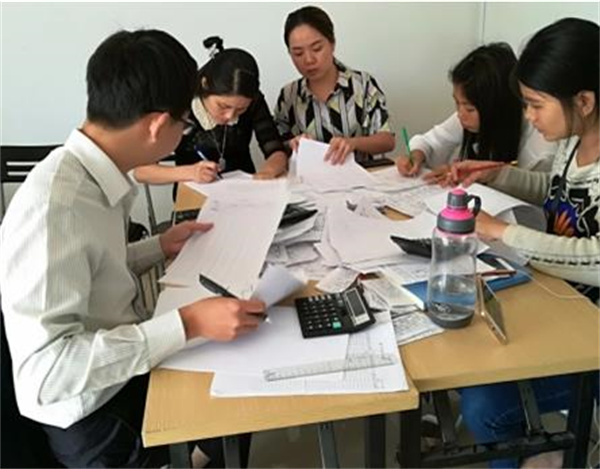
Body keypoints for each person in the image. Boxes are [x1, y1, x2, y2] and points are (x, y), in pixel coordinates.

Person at [0, 29, 266, 468]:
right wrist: (188, 322)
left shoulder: (92, 177)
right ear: (158, 125)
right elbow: (45, 376)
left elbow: (92, 270)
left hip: (119, 368)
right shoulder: (57, 207)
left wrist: (158, 246)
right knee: (228, 402)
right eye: (185, 123)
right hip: (93, 415)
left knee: (238, 392)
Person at [448, 18, 599, 468]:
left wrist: (501, 231)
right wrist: (497, 174)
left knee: (485, 406)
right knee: (465, 349)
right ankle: (539, 454)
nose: (529, 117)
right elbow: (551, 190)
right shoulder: (573, 141)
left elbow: (595, 257)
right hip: (559, 298)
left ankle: (537, 455)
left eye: (535, 105)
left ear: (584, 101)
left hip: (590, 333)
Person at [134, 36, 288, 189]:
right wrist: (191, 172)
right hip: (193, 194)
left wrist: (267, 172)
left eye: (241, 110)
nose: (230, 116)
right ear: (205, 84)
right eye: (223, 106)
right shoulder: (181, 103)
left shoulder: (253, 101)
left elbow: (276, 150)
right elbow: (141, 171)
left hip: (243, 191)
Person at [396, 42, 556, 183]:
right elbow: (430, 141)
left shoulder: (540, 145)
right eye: (457, 103)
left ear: (498, 106)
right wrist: (416, 155)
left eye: (469, 108)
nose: (460, 114)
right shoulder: (466, 117)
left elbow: (533, 195)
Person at [274, 5, 395, 165]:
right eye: (298, 53)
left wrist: (353, 143)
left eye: (317, 48)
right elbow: (275, 146)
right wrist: (292, 144)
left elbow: (387, 140)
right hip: (309, 179)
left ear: (332, 43)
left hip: (361, 175)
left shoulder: (363, 85)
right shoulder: (289, 95)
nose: (309, 60)